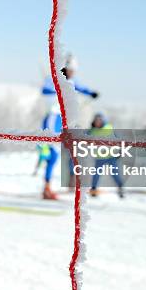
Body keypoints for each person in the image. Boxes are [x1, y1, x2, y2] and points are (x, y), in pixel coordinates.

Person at [38, 54, 99, 200]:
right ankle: (46, 187)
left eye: (73, 71)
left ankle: (73, 180)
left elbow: (81, 87)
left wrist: (91, 93)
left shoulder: (71, 80)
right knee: (53, 154)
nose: (71, 73)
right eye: (69, 70)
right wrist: (60, 91)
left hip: (63, 119)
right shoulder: (54, 78)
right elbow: (44, 91)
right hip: (52, 118)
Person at [88, 113, 124, 198]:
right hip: (99, 157)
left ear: (102, 121)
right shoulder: (92, 131)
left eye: (99, 120)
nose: (98, 122)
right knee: (96, 174)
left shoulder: (109, 128)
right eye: (96, 121)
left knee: (115, 173)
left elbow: (119, 140)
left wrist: (120, 151)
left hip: (111, 156)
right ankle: (93, 190)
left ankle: (120, 188)